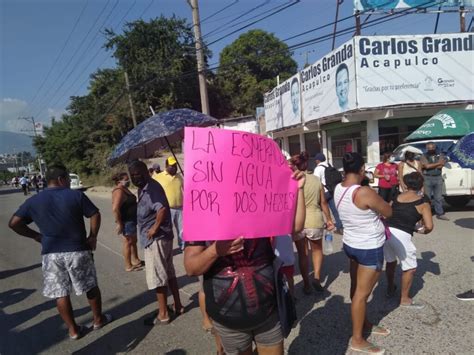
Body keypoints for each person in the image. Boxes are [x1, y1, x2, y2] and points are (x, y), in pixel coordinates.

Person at [184, 170, 307, 355]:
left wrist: (299, 190)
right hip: (229, 319)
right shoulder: (201, 212)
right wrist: (215, 250)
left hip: (268, 312)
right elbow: (191, 267)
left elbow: (295, 226)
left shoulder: (259, 203)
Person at [8, 164, 112, 339]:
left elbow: (14, 223)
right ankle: (98, 320)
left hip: (51, 254)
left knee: (60, 293)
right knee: (90, 286)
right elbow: (95, 214)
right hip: (78, 250)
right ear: (61, 179)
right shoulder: (75, 196)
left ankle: (73, 330)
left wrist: (36, 236)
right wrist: (92, 236)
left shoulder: (33, 201)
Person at [333, 152, 392, 355]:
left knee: (356, 287)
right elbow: (388, 211)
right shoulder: (364, 192)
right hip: (369, 247)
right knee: (362, 294)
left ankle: (364, 322)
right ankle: (357, 339)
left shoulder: (338, 188)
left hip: (351, 244)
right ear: (361, 170)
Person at [128, 160, 184, 325]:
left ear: (146, 172)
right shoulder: (143, 188)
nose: (135, 178)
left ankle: (163, 313)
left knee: (159, 277)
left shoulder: (152, 188)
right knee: (169, 273)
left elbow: (161, 209)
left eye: (137, 174)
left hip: (157, 239)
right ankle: (178, 305)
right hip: (161, 237)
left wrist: (153, 228)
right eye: (132, 175)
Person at [384, 172, 433, 309]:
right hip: (402, 236)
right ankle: (404, 299)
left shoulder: (396, 197)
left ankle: (390, 287)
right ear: (421, 185)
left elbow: (386, 210)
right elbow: (429, 226)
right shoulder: (423, 203)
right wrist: (421, 230)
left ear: (405, 184)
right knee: (410, 268)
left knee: (390, 261)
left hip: (387, 233)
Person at [290, 152, 334, 294]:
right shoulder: (316, 180)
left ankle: (307, 285)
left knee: (303, 254)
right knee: (317, 250)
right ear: (306, 164)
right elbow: (323, 203)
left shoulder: (291, 181)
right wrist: (329, 219)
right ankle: (316, 278)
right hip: (314, 219)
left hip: (298, 222)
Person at [111, 172, 143, 272]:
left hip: (131, 220)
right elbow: (115, 208)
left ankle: (136, 260)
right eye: (126, 179)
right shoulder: (119, 191)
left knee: (133, 241)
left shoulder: (124, 189)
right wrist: (119, 223)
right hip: (126, 221)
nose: (128, 181)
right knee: (127, 242)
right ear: (119, 181)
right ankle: (128, 265)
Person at [153, 157, 184, 251]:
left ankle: (183, 246)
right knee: (166, 230)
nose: (174, 167)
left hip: (180, 208)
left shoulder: (179, 176)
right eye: (172, 166)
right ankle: (166, 248)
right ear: (166, 166)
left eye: (175, 165)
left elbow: (185, 188)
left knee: (182, 230)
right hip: (166, 209)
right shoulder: (158, 177)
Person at [313, 153, 343, 233]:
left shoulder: (318, 169)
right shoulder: (329, 165)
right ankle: (340, 227)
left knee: (317, 209)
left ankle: (322, 224)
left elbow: (316, 181)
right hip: (331, 190)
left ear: (317, 160)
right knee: (334, 209)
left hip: (323, 192)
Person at [421, 142, 449, 221]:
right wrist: (438, 163)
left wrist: (434, 165)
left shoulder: (440, 155)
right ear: (427, 148)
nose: (431, 150)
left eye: (433, 148)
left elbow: (441, 165)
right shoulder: (424, 156)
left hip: (438, 177)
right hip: (427, 178)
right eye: (429, 148)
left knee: (438, 197)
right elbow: (426, 166)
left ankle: (440, 213)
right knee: (427, 197)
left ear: (435, 147)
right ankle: (427, 213)